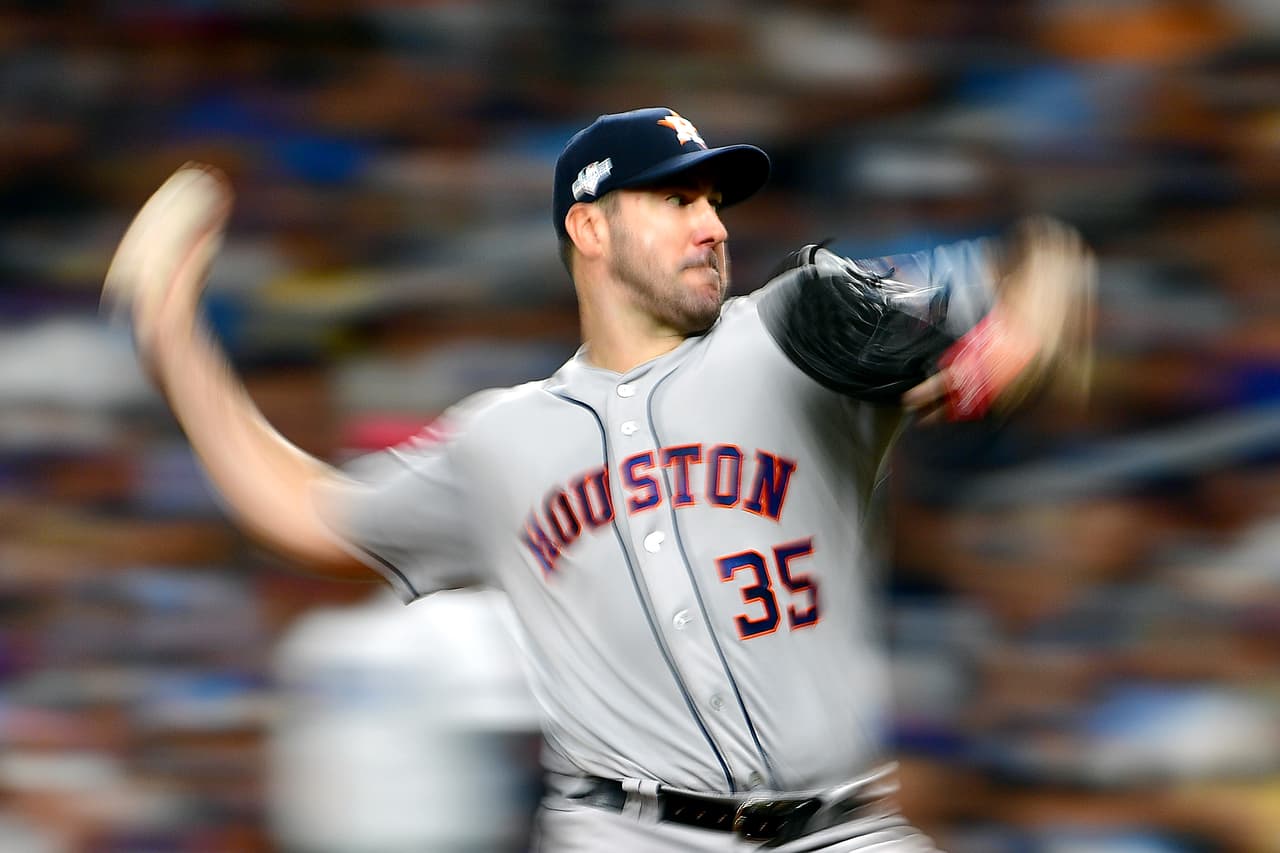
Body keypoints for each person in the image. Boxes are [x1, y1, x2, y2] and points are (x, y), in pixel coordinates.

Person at [103, 107, 1093, 851]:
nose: (709, 223)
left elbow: (1032, 281)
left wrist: (1018, 336)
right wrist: (177, 343)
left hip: (839, 828)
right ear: (587, 229)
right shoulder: (498, 440)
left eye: (711, 199)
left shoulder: (797, 322)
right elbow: (309, 516)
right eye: (674, 198)